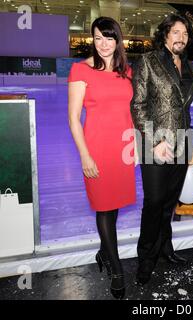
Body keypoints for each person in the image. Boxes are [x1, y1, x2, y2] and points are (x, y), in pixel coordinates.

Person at [68, 17, 135, 299]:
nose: (103, 44)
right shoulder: (80, 70)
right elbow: (73, 118)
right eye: (98, 38)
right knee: (103, 207)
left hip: (123, 149)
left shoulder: (126, 71)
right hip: (96, 148)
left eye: (108, 38)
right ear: (92, 40)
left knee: (114, 205)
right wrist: (85, 156)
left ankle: (104, 252)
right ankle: (117, 269)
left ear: (117, 40)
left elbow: (130, 112)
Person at [130, 13, 193, 285]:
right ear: (166, 34)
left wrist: (191, 144)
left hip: (182, 143)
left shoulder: (189, 66)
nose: (181, 37)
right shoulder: (148, 60)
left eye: (186, 34)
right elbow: (138, 105)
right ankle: (146, 258)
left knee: (169, 203)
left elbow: (185, 109)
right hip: (155, 145)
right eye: (176, 32)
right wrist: (155, 142)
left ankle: (165, 248)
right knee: (154, 202)